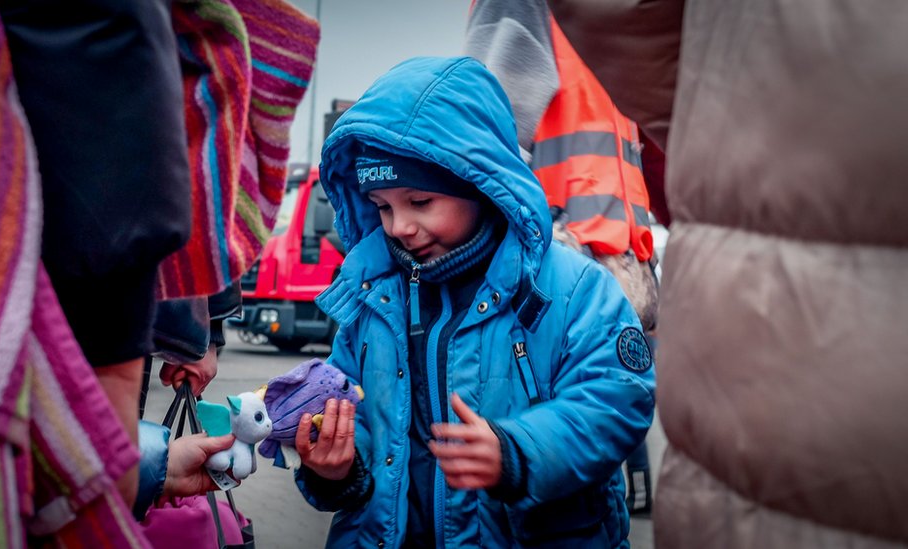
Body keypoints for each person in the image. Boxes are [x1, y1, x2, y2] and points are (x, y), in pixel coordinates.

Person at [547, 0, 908, 546]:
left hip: (609, 251)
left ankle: (630, 490)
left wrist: (699, 149)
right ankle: (632, 489)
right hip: (626, 252)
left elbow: (619, 25)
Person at [291, 56, 655, 548]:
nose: (399, 226)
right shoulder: (373, 292)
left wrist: (518, 452)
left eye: (420, 202)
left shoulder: (573, 289)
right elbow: (350, 402)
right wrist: (337, 466)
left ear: (481, 185)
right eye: (382, 207)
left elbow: (618, 401)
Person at [465, 0, 660, 515]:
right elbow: (487, 114)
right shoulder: (533, 6)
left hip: (618, 248)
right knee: (559, 402)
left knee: (609, 391)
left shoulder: (612, 16)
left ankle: (620, 493)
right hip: (560, 243)